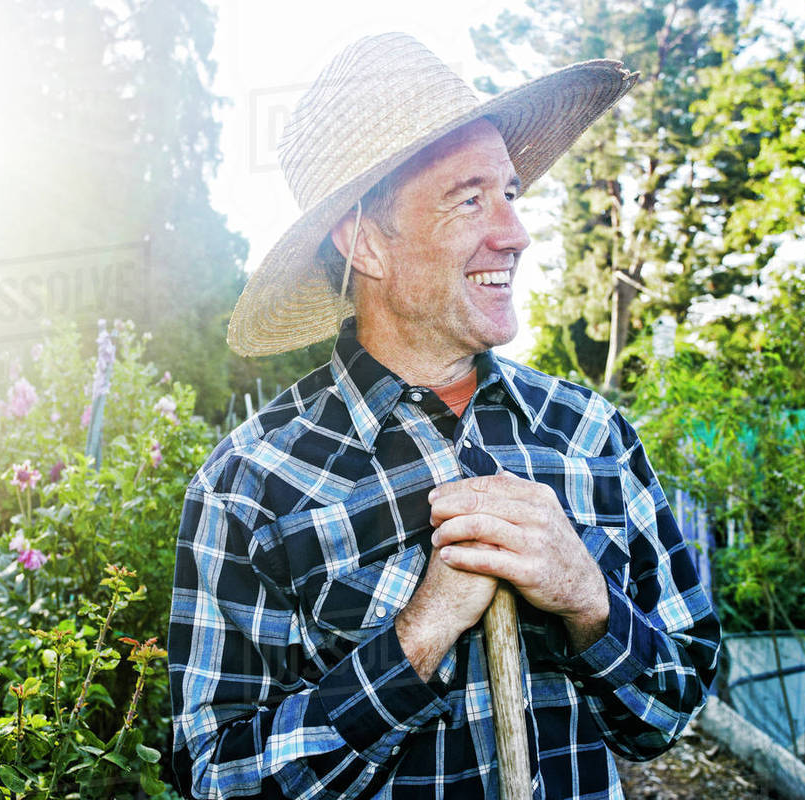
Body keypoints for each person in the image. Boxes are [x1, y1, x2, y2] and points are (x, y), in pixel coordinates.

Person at [168, 32, 720, 800]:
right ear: (366, 244)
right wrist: (417, 636)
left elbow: (673, 708)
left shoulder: (592, 436)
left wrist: (589, 600)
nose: (516, 233)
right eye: (469, 198)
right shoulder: (251, 484)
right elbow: (217, 776)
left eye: (511, 194)